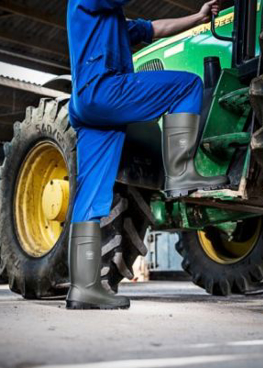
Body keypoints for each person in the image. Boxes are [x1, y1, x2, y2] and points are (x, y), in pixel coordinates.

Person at [66, 0, 228, 310]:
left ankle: (83, 287)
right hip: (106, 91)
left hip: (88, 107)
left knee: (90, 196)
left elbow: (156, 29)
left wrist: (198, 17)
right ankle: (180, 170)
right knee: (187, 86)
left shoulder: (111, 21)